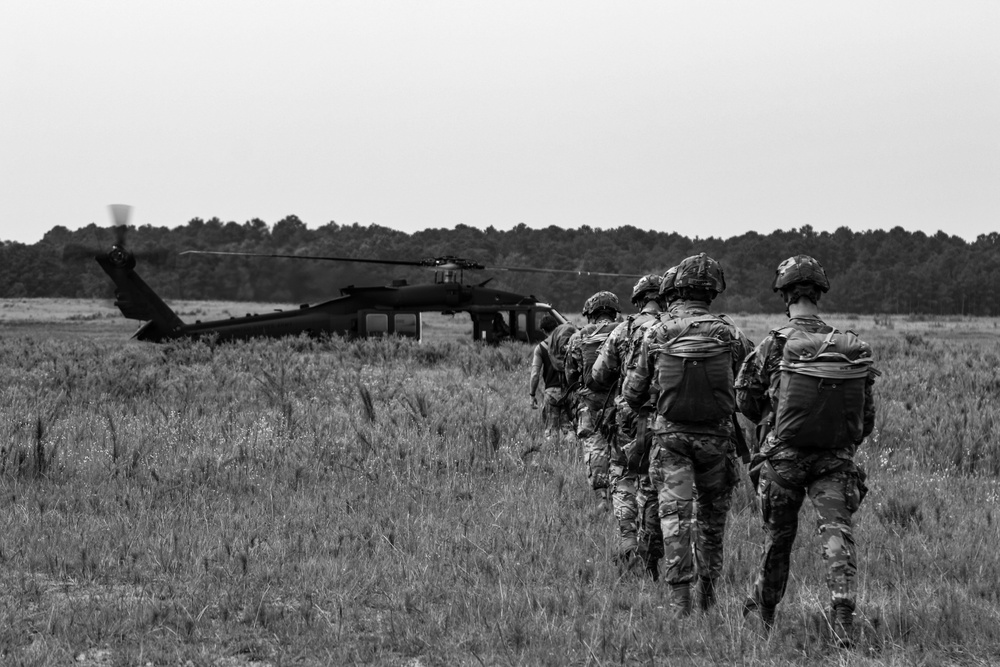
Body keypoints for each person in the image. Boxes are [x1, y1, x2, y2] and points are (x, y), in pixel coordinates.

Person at [736, 255, 878, 643]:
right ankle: (843, 614)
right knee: (837, 533)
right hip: (835, 461)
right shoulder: (850, 346)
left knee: (778, 538)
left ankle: (765, 613)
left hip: (783, 459)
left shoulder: (775, 343)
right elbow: (865, 420)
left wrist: (776, 416)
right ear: (819, 294)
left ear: (785, 295)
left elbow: (745, 400)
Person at [623, 253, 753, 616]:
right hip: (718, 439)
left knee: (675, 517)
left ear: (677, 287)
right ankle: (708, 596)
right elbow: (751, 390)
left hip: (670, 440)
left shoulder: (657, 332)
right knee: (713, 520)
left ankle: (681, 603)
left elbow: (632, 393)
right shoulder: (731, 333)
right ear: (713, 291)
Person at [590, 274, 666, 578]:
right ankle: (652, 549)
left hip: (628, 417)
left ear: (636, 301)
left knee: (622, 475)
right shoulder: (672, 328)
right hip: (664, 418)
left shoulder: (624, 329)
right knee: (655, 486)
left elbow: (598, 374)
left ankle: (627, 539)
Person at [565, 291, 622, 510]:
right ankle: (623, 496)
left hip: (590, 403)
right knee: (621, 446)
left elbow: (570, 374)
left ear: (591, 314)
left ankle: (601, 498)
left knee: (595, 447)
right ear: (614, 312)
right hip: (619, 400)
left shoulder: (578, 337)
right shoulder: (625, 331)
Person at [529, 315, 572, 437]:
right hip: (568, 391)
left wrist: (532, 395)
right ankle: (571, 454)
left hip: (551, 392)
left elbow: (535, 374)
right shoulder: (568, 343)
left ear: (543, 330)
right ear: (557, 326)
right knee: (569, 429)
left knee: (551, 430)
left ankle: (552, 454)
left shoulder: (540, 348)